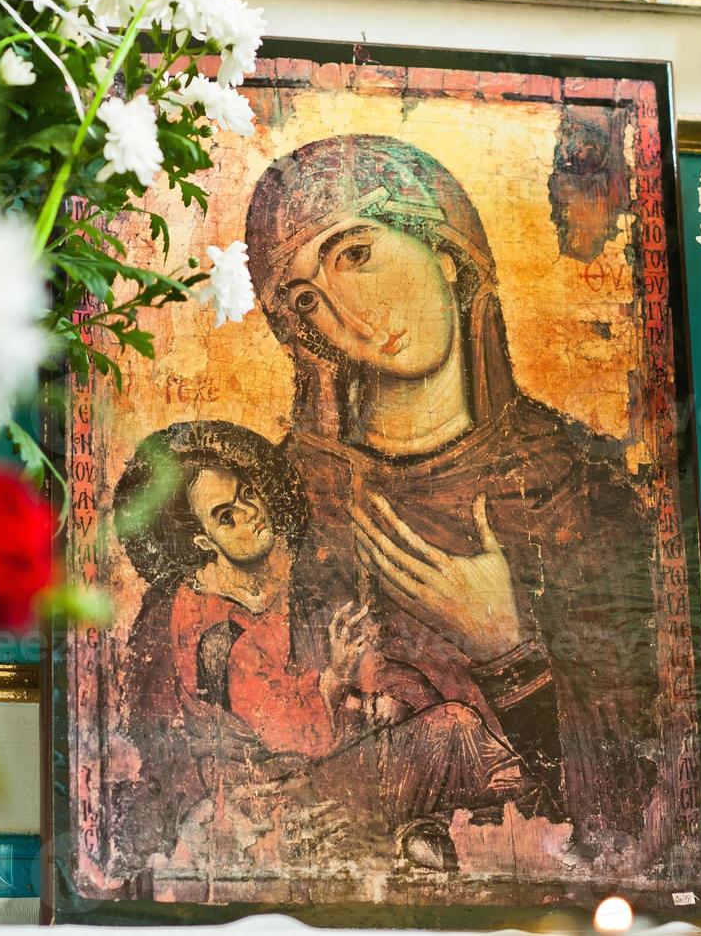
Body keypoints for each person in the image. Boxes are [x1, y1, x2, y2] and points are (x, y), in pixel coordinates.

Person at [245, 134, 668, 862]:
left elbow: (634, 804)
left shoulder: (583, 490)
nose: (350, 314)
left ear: (444, 251)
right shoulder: (282, 501)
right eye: (308, 298)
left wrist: (505, 647)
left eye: (356, 254)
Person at [108, 420, 535, 876]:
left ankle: (441, 831)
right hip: (276, 801)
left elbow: (363, 675)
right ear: (202, 541)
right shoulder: (214, 631)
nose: (250, 513)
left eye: (247, 493)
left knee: (450, 723)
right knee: (456, 728)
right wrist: (337, 677)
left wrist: (375, 703)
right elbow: (287, 729)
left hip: (322, 767)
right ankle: (510, 829)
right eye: (225, 515)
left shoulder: (291, 581)